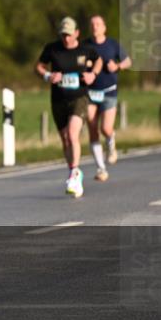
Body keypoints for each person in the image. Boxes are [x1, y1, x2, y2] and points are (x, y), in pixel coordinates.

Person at [35, 17, 102, 198]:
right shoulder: (52, 49)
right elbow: (39, 67)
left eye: (69, 35)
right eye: (63, 35)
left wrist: (92, 75)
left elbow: (99, 60)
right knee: (65, 139)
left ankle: (74, 174)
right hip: (58, 99)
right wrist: (48, 75)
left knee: (73, 134)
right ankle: (74, 171)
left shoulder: (85, 49)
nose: (66, 38)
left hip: (79, 97)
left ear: (77, 33)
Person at [85, 15, 132, 180]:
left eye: (98, 24)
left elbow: (128, 61)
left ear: (104, 27)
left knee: (105, 128)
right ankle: (101, 169)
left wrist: (118, 66)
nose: (95, 27)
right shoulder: (86, 45)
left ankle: (111, 143)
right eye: (92, 24)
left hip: (109, 91)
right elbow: (78, 61)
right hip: (90, 93)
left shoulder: (112, 44)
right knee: (91, 128)